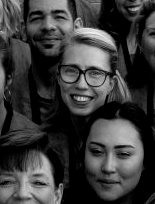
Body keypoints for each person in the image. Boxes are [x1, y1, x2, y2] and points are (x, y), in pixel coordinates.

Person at [47, 28, 132, 167]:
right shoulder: (42, 144)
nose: (81, 84)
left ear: (111, 83)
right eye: (71, 71)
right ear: (58, 77)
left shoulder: (134, 140)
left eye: (95, 73)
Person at [23, 0, 82, 125]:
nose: (48, 26)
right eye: (36, 18)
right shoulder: (9, 95)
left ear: (77, 27)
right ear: (23, 30)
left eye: (59, 17)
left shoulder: (92, 92)